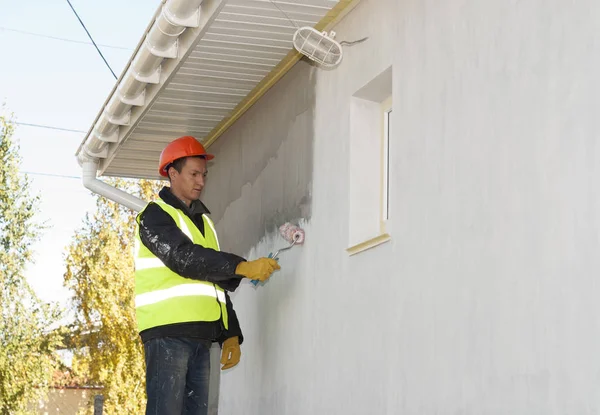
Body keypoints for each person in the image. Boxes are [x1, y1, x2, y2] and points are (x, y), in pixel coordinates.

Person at [134, 135, 280, 415]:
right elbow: (182, 258)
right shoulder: (154, 216)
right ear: (172, 174)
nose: (200, 181)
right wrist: (242, 266)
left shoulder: (205, 224)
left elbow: (213, 284)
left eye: (204, 175)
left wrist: (230, 334)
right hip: (168, 334)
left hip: (202, 336)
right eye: (193, 174)